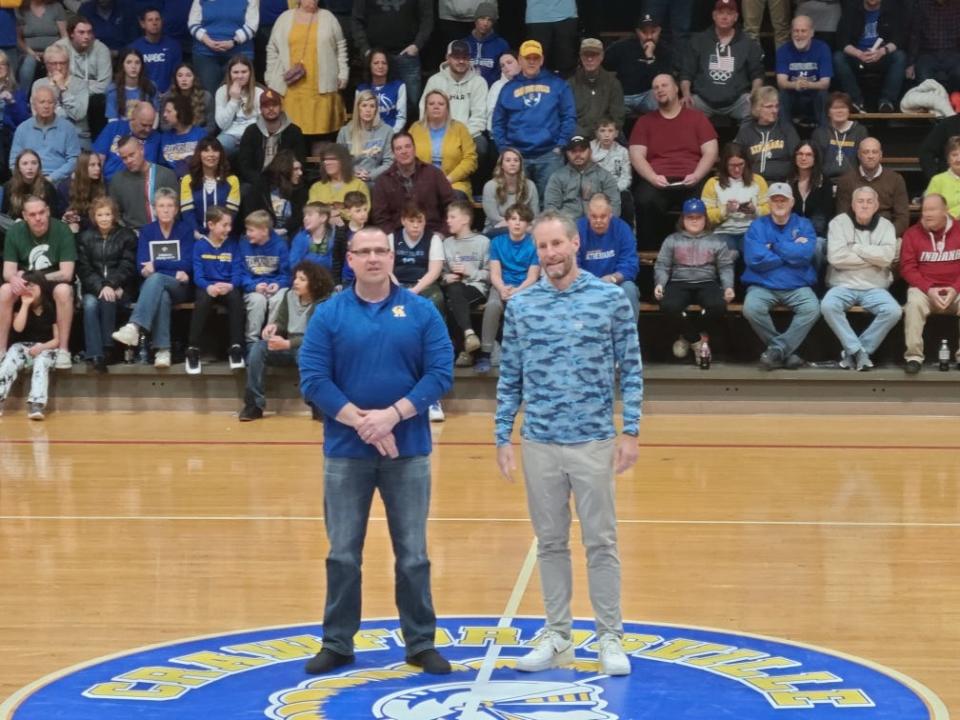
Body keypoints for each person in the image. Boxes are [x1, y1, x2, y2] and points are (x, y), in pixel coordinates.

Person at [297, 225, 454, 676]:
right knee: (342, 553)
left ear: (391, 257)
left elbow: (440, 375)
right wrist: (364, 423)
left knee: (414, 555)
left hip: (409, 453)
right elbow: (313, 380)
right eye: (363, 251)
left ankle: (420, 643)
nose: (372, 258)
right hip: (346, 453)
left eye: (380, 251)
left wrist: (392, 416)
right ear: (350, 259)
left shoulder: (422, 311)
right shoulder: (328, 314)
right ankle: (338, 643)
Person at [494, 208, 642, 677]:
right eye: (542, 246)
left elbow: (632, 369)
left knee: (601, 542)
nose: (551, 253)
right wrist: (503, 435)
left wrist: (631, 430)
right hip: (539, 442)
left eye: (557, 243)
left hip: (594, 441)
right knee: (550, 542)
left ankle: (610, 637)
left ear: (575, 243)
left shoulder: (610, 299)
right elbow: (509, 375)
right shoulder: (521, 306)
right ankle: (558, 634)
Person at [629, 73, 719, 250]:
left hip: (691, 178)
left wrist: (697, 175)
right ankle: (652, 255)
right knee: (644, 200)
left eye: (664, 85)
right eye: (656, 87)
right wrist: (653, 177)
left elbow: (711, 151)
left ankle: (701, 254)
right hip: (657, 179)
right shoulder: (644, 122)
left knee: (706, 199)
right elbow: (636, 155)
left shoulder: (697, 118)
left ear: (676, 88)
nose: (660, 90)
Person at [240, 259, 333, 421]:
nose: (296, 282)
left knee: (305, 353)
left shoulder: (325, 303)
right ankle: (254, 405)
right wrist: (273, 327)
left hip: (310, 349)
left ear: (315, 283)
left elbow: (316, 338)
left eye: (302, 279)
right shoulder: (289, 295)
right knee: (257, 348)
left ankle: (317, 403)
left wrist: (288, 343)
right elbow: (282, 323)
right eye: (295, 278)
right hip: (287, 346)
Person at [741, 183, 820, 370]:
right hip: (763, 285)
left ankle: (776, 350)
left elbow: (804, 255)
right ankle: (786, 353)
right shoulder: (757, 226)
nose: (779, 203)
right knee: (751, 308)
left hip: (797, 285)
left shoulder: (804, 224)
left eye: (783, 199)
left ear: (792, 202)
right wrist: (790, 249)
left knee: (812, 308)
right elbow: (755, 258)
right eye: (775, 199)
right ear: (768, 203)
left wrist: (774, 246)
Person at [111, 187, 192, 368]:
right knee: (161, 294)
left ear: (176, 209)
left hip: (179, 287)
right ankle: (163, 351)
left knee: (156, 279)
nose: (165, 210)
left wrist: (156, 265)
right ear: (154, 209)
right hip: (157, 286)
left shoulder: (185, 230)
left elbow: (187, 264)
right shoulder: (147, 231)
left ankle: (134, 326)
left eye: (170, 205)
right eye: (161, 206)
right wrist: (172, 268)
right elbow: (141, 265)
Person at [821, 186, 900, 370]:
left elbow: (887, 257)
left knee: (893, 311)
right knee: (827, 305)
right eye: (860, 201)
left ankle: (854, 351)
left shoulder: (886, 226)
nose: (865, 205)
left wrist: (855, 247)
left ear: (877, 205)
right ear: (853, 204)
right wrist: (873, 259)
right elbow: (836, 258)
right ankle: (860, 353)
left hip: (875, 287)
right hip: (842, 284)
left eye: (869, 201)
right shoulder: (838, 223)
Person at [492, 40, 576, 201]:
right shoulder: (508, 88)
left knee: (551, 204)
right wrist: (504, 149)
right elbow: (498, 122)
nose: (531, 61)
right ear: (520, 60)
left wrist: (561, 144)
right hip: (518, 156)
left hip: (549, 154)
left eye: (535, 58)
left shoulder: (558, 85)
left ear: (542, 60)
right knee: (518, 206)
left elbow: (569, 116)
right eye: (527, 58)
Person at [655, 197, 735, 360]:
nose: (694, 221)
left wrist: (728, 286)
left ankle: (686, 338)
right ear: (683, 219)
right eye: (690, 217)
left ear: (705, 219)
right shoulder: (672, 240)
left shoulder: (716, 241)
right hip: (679, 282)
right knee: (668, 305)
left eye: (698, 217)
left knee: (718, 305)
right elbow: (662, 265)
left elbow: (726, 266)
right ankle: (697, 341)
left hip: (707, 282)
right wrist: (660, 283)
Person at [0, 196, 75, 369]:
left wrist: (33, 279)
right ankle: (1, 350)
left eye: (42, 212)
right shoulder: (15, 231)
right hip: (26, 283)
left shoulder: (62, 230)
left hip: (50, 282)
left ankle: (64, 350)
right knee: (5, 290)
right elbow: (7, 272)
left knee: (64, 290)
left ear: (48, 211)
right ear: (25, 216)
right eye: (32, 214)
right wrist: (14, 279)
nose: (38, 218)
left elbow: (67, 273)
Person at [265, 0, 348, 152]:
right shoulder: (284, 18)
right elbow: (272, 48)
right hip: (291, 92)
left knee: (322, 141)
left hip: (322, 92)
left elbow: (340, 46)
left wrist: (343, 73)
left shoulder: (328, 17)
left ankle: (319, 174)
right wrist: (271, 77)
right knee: (293, 142)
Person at [900, 193, 960, 373]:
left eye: (932, 209)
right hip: (925, 290)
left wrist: (955, 288)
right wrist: (929, 289)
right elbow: (907, 268)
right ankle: (914, 357)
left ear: (945, 211)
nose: (927, 214)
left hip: (955, 289)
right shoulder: (912, 234)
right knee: (913, 304)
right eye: (925, 210)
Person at [75, 195, 136, 372]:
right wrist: (102, 286)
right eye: (100, 215)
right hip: (93, 288)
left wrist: (112, 284)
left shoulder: (126, 236)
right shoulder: (85, 237)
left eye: (107, 214)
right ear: (94, 217)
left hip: (121, 287)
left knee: (108, 298)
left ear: (114, 215)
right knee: (89, 304)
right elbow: (84, 269)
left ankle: (107, 349)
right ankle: (96, 354)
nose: (104, 219)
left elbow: (128, 265)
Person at [476, 202, 539, 374]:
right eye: (513, 219)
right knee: (493, 305)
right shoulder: (497, 242)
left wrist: (517, 292)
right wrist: (503, 289)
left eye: (522, 220)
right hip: (502, 285)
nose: (517, 223)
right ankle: (485, 353)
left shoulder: (534, 244)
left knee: (525, 307)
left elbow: (533, 277)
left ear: (528, 224)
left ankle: (528, 356)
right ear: (507, 222)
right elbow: (495, 273)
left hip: (525, 287)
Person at [679, 0, 764, 124]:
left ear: (736, 17)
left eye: (729, 13)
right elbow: (686, 72)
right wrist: (686, 94)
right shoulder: (698, 40)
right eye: (721, 13)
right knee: (682, 109)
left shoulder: (748, 43)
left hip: (737, 101)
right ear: (714, 16)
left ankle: (742, 143)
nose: (724, 17)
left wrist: (754, 94)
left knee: (758, 109)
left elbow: (757, 74)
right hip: (703, 100)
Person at [352, 0, 433, 123]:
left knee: (413, 102)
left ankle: (406, 140)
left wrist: (417, 45)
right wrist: (366, 50)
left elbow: (427, 18)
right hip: (376, 56)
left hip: (407, 55)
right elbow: (356, 20)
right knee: (371, 103)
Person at [186, 205, 244, 374]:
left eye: (230, 225)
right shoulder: (200, 246)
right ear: (211, 225)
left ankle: (236, 348)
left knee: (235, 298)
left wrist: (231, 285)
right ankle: (193, 349)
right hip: (208, 286)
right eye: (224, 225)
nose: (229, 229)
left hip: (227, 286)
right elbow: (198, 275)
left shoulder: (233, 245)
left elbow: (238, 272)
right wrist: (208, 287)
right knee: (202, 300)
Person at [372, 132, 455, 239]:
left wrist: (442, 234)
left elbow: (451, 205)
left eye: (408, 146)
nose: (404, 151)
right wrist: (394, 239)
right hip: (399, 239)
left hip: (433, 235)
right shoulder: (383, 181)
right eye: (399, 148)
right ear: (393, 153)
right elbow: (380, 218)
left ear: (414, 149)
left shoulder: (434, 174)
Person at [0, 271, 58, 419]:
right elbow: (18, 328)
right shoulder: (19, 305)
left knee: (41, 362)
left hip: (46, 347)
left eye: (33, 285)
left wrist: (42, 347)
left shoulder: (50, 307)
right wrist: (25, 305)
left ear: (42, 286)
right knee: (10, 356)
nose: (29, 288)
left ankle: (36, 405)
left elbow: (57, 339)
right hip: (23, 345)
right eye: (26, 285)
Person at [833, 0, 906, 114]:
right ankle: (856, 102)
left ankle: (887, 101)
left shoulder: (891, 9)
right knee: (838, 57)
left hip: (881, 56)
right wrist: (859, 54)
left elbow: (899, 39)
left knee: (900, 57)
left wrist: (882, 51)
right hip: (858, 57)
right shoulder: (852, 9)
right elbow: (842, 42)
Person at [576, 193, 640, 320]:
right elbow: (573, 263)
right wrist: (589, 282)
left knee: (629, 289)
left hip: (615, 282)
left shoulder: (622, 229)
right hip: (585, 283)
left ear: (610, 214)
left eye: (603, 216)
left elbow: (630, 264)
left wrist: (613, 278)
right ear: (588, 214)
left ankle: (630, 336)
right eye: (594, 217)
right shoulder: (578, 229)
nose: (598, 221)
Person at [440, 199, 489, 367]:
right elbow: (442, 272)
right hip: (455, 288)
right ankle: (469, 339)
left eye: (452, 217)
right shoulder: (447, 243)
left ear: (465, 219)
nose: (448, 221)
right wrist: (445, 277)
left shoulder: (483, 242)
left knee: (454, 301)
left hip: (476, 288)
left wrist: (470, 272)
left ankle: (464, 350)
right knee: (453, 291)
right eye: (448, 217)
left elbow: (491, 275)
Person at [701, 142, 770, 254]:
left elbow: (770, 210)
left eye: (740, 164)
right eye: (732, 165)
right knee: (726, 254)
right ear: (724, 164)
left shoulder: (758, 181)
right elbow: (705, 216)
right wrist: (725, 210)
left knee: (753, 251)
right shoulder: (712, 183)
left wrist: (755, 210)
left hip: (751, 230)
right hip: (722, 232)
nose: (737, 169)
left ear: (746, 163)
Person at [410, 89, 477, 200]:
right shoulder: (415, 128)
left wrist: (449, 179)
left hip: (454, 183)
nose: (436, 107)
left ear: (447, 108)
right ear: (426, 108)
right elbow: (408, 157)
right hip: (421, 182)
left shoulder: (460, 129)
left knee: (455, 198)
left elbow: (470, 159)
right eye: (431, 104)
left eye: (441, 104)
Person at [835, 137, 910, 238]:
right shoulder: (846, 181)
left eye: (874, 152)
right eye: (866, 152)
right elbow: (843, 217)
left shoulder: (896, 179)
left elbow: (903, 217)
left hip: (886, 235)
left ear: (880, 155)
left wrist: (886, 235)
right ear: (859, 155)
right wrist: (860, 238)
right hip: (855, 237)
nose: (870, 156)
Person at [603, 11, 674, 115]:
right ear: (637, 32)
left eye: (653, 31)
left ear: (659, 30)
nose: (649, 36)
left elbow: (662, 83)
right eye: (644, 32)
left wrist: (650, 56)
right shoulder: (621, 47)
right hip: (623, 96)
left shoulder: (665, 50)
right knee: (612, 111)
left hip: (647, 94)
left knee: (663, 103)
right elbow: (602, 65)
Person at [53, 16, 112, 140]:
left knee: (99, 100)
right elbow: (54, 78)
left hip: (91, 97)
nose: (87, 36)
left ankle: (98, 144)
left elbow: (104, 85)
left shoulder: (101, 49)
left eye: (89, 32)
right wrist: (85, 85)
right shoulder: (59, 48)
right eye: (81, 32)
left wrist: (76, 88)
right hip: (66, 94)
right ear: (71, 34)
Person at [238, 209, 290, 346]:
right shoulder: (243, 244)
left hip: (275, 286)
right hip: (254, 287)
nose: (248, 234)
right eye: (247, 230)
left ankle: (271, 339)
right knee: (257, 301)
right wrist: (254, 286)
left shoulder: (280, 245)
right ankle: (252, 342)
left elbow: (286, 274)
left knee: (279, 298)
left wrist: (278, 285)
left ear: (264, 230)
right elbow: (241, 274)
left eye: (251, 230)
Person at [235, 88, 306, 187]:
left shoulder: (294, 131)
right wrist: (259, 180)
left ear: (281, 107)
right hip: (257, 179)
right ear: (260, 109)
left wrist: (285, 177)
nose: (271, 109)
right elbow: (244, 164)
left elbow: (299, 160)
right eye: (266, 106)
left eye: (274, 105)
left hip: (285, 178)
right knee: (246, 190)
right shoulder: (251, 131)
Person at [10, 85, 80, 185]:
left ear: (55, 105)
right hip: (28, 180)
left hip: (59, 181)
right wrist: (26, 180)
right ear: (34, 105)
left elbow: (74, 159)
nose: (46, 106)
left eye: (50, 102)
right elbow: (13, 161)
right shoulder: (22, 128)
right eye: (42, 102)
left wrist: (52, 178)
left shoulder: (68, 128)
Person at [187, 0, 259, 94]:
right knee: (208, 95)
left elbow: (252, 25)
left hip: (239, 53)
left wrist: (234, 42)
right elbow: (192, 23)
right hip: (205, 54)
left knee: (238, 94)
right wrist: (207, 40)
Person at [109, 133, 178, 229]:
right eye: (124, 158)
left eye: (132, 155)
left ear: (142, 149)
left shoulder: (166, 175)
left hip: (163, 233)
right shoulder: (117, 181)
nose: (129, 160)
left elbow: (176, 210)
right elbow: (115, 214)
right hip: (132, 236)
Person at [544, 135, 620, 220]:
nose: (578, 154)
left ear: (590, 152)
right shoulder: (557, 177)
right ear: (567, 153)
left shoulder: (604, 175)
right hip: (567, 226)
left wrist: (603, 223)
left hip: (597, 224)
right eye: (573, 151)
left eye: (582, 150)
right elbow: (551, 207)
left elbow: (614, 204)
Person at [733, 87, 799, 185]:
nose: (775, 110)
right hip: (752, 184)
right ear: (757, 108)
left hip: (782, 183)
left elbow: (797, 156)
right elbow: (735, 157)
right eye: (769, 107)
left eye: (776, 106)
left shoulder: (786, 129)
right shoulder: (746, 131)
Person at [388, 201, 444, 314]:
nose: (416, 225)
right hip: (397, 283)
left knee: (436, 300)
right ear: (403, 221)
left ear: (425, 221)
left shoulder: (434, 239)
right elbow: (387, 271)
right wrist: (398, 288)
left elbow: (435, 271)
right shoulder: (392, 238)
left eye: (420, 221)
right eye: (411, 221)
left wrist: (415, 290)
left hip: (424, 285)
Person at [179, 137, 240, 239]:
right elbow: (187, 213)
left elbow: (231, 213)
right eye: (206, 151)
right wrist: (197, 235)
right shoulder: (187, 180)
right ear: (199, 154)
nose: (211, 155)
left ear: (221, 154)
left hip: (224, 236)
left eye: (215, 150)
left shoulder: (232, 180)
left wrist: (217, 234)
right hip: (195, 237)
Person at [776, 15, 832, 127]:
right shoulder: (783, 50)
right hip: (794, 96)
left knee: (823, 95)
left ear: (811, 32)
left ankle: (824, 135)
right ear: (791, 32)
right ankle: (786, 135)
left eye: (803, 31)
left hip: (814, 97)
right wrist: (795, 85)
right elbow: (781, 82)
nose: (799, 35)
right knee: (782, 95)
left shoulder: (822, 48)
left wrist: (808, 84)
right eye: (796, 31)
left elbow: (825, 83)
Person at [243, 149, 308, 240]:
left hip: (289, 234)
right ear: (284, 169)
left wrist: (285, 229)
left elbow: (299, 217)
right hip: (262, 233)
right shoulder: (260, 186)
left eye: (300, 169)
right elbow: (251, 214)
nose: (300, 173)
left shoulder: (300, 190)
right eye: (296, 169)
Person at [568, 38, 624, 140]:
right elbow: (567, 117)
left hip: (605, 137)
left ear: (602, 56)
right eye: (586, 55)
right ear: (580, 57)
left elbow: (617, 117)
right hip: (579, 137)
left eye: (594, 55)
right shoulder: (570, 84)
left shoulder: (613, 83)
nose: (589, 59)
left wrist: (604, 134)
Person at [93, 100, 161, 182]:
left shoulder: (156, 138)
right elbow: (99, 158)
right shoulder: (114, 127)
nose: (147, 129)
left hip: (140, 187)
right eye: (144, 125)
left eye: (151, 125)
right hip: (109, 184)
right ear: (132, 118)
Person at [336, 90, 394, 186]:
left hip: (377, 181)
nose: (368, 110)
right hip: (350, 180)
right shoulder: (345, 132)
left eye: (372, 106)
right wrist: (354, 173)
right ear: (358, 108)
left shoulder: (387, 131)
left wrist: (371, 175)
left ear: (376, 109)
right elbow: (340, 160)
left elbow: (389, 162)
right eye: (364, 105)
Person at [811, 92, 868, 180]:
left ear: (849, 111)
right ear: (828, 112)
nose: (839, 111)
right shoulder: (819, 133)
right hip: (826, 182)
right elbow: (816, 163)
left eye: (843, 107)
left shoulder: (860, 131)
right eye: (835, 108)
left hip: (853, 182)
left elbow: (865, 161)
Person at [482, 147, 539, 234]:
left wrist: (523, 226)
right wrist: (515, 224)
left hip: (525, 228)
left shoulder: (530, 185)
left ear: (520, 164)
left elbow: (534, 215)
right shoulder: (490, 186)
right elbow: (493, 217)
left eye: (516, 160)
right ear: (501, 165)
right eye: (508, 160)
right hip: (497, 227)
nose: (512, 163)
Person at [906, 0, 960, 93]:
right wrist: (911, 63)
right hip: (928, 53)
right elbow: (915, 35)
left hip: (953, 53)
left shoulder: (957, 5)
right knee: (924, 77)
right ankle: (932, 103)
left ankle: (953, 101)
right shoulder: (922, 5)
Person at [214, 55, 262, 157]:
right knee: (216, 149)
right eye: (235, 72)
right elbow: (222, 124)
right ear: (229, 74)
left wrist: (247, 137)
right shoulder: (222, 91)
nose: (240, 76)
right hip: (229, 134)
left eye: (244, 72)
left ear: (250, 73)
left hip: (253, 135)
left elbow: (263, 123)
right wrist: (234, 99)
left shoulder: (259, 92)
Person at [307, 142, 371, 219]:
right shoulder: (316, 187)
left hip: (350, 228)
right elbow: (311, 213)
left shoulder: (359, 185)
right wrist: (341, 208)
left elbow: (363, 214)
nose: (327, 163)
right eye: (324, 160)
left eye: (332, 159)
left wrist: (333, 213)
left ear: (343, 161)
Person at [591, 119, 633, 228]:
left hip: (617, 188)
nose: (606, 135)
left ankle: (627, 231)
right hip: (595, 188)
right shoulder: (590, 149)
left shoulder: (623, 151)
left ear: (616, 133)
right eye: (602, 131)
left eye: (610, 131)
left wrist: (613, 190)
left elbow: (626, 177)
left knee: (626, 199)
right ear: (596, 133)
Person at [15, 0, 67, 89]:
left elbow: (64, 35)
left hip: (55, 50)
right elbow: (18, 39)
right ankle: (23, 97)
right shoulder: (21, 9)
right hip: (28, 52)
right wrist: (32, 53)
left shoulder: (56, 7)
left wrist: (50, 51)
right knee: (29, 62)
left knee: (58, 60)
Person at [788, 141, 834, 241]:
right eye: (800, 154)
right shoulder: (788, 182)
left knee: (817, 245)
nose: (803, 158)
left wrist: (805, 236)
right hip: (791, 233)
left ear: (815, 159)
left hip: (817, 234)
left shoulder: (825, 183)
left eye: (809, 155)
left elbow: (822, 216)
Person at [130, 6, 182, 94]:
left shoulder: (173, 46)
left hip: (169, 95)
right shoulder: (134, 48)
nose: (154, 23)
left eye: (157, 19)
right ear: (142, 24)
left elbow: (177, 75)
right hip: (143, 95)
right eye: (150, 20)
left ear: (162, 22)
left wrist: (169, 94)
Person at [355, 49, 406, 134]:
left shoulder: (399, 86)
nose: (380, 66)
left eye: (384, 63)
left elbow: (401, 117)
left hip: (392, 134)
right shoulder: (361, 89)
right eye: (376, 63)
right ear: (369, 65)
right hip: (368, 135)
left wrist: (390, 135)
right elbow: (358, 118)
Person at [2, 150, 61, 221]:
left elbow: (55, 215)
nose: (30, 167)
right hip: (16, 225)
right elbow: (5, 213)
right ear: (19, 168)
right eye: (25, 163)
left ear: (39, 166)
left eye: (34, 163)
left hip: (41, 223)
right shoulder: (9, 186)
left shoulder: (47, 187)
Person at [158, 94, 208, 178]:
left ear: (181, 112)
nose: (164, 115)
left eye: (169, 111)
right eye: (164, 111)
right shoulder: (165, 138)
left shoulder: (200, 134)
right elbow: (162, 167)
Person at [524, 0, 578, 77]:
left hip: (566, 14)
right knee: (537, 61)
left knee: (567, 62)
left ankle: (566, 88)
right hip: (537, 15)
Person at [159, 62, 215, 136]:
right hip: (174, 136)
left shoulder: (206, 97)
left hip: (198, 137)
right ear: (175, 79)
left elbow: (211, 126)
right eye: (180, 76)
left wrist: (194, 134)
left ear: (194, 78)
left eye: (188, 75)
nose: (184, 79)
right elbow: (163, 126)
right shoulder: (167, 97)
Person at [59, 149, 106, 233]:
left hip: (98, 225)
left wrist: (80, 219)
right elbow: (60, 214)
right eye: (92, 165)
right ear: (83, 167)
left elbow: (104, 215)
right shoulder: (65, 186)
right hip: (75, 226)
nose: (98, 168)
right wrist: (66, 217)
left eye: (99, 165)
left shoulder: (102, 184)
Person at [105, 47, 158, 121]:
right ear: (122, 65)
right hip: (120, 130)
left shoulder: (150, 86)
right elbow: (112, 121)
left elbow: (155, 116)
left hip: (145, 129)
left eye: (137, 63)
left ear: (142, 66)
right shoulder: (112, 89)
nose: (133, 66)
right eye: (129, 62)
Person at [464, 2, 508, 87]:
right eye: (482, 18)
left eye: (489, 20)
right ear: (475, 20)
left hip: (491, 90)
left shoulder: (501, 44)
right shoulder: (464, 43)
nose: (485, 23)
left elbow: (506, 73)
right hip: (467, 90)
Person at [925, 136, 960, 219]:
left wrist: (952, 214)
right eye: (954, 155)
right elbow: (930, 209)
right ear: (948, 159)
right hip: (944, 228)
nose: (958, 159)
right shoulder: (937, 180)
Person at [485, 50, 517, 132]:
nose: (506, 67)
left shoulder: (532, 83)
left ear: (520, 62)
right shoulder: (497, 86)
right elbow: (491, 114)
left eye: (509, 63)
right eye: (502, 65)